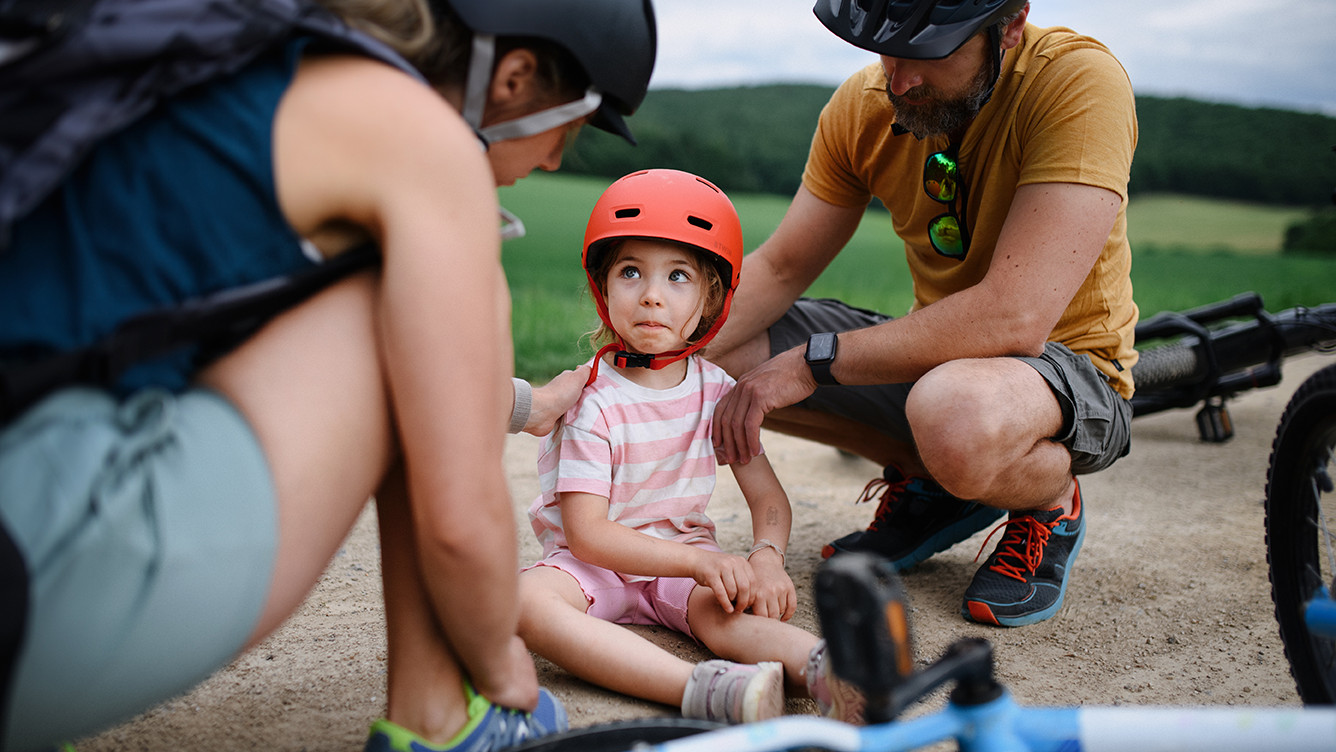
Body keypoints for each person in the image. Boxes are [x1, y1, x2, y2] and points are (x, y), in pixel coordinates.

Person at [0, 0, 655, 750]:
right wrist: (502, 661)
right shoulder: (420, 141)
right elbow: (457, 526)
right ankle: (445, 719)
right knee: (405, 302)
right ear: (513, 78)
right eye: (566, 132)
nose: (552, 162)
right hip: (38, 585)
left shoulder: (246, 53)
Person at [707, 0, 1138, 628]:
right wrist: (627, 360)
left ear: (1009, 24)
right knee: (718, 348)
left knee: (954, 416)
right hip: (942, 371)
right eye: (886, 48)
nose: (899, 78)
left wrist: (815, 360)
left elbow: (1014, 318)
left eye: (929, 51)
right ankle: (937, 482)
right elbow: (779, 268)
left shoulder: (1077, 82)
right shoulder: (863, 106)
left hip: (1067, 369)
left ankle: (1049, 498)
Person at [516, 169, 862, 726]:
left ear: (709, 300)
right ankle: (704, 690)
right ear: (603, 287)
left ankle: (836, 673)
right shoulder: (588, 398)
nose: (652, 295)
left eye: (678, 276)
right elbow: (588, 533)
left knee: (727, 609)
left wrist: (766, 557)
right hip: (592, 567)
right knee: (528, 603)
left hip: (684, 572)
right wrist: (701, 560)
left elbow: (768, 500)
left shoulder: (718, 392)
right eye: (631, 272)